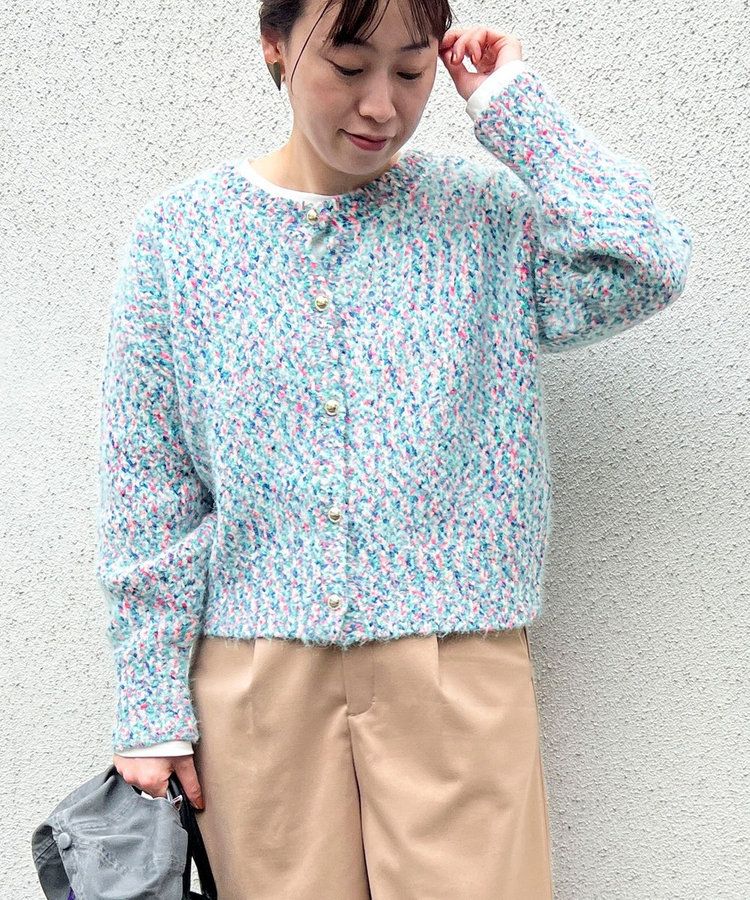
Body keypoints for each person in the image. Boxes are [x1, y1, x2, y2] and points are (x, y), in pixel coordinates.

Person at [95, 0, 692, 897]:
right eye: (348, 66)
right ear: (275, 46)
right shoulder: (179, 238)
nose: (382, 105)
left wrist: (513, 107)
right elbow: (150, 483)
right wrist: (149, 707)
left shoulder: (481, 219)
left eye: (411, 72)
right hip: (258, 676)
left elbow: (646, 260)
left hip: (454, 661)